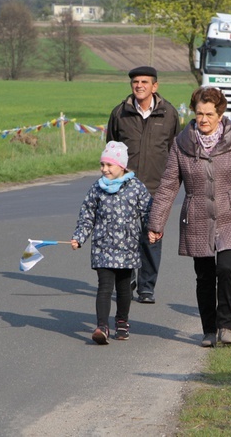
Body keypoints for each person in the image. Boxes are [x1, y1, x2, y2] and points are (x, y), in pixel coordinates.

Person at [147, 86, 231, 347]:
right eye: (199, 113)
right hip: (197, 218)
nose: (204, 119)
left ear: (220, 114)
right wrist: (156, 224)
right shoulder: (182, 145)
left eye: (209, 114)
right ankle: (209, 330)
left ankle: (226, 325)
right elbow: (167, 185)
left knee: (226, 268)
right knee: (205, 276)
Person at [106, 66, 180, 305]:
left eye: (144, 82)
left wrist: (173, 183)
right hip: (124, 188)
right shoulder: (120, 113)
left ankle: (146, 287)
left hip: (156, 188)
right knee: (124, 237)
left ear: (154, 86)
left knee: (151, 238)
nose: (139, 85)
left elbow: (175, 151)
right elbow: (111, 150)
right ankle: (127, 279)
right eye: (135, 82)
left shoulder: (169, 113)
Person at [70, 141, 152, 344]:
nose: (104, 169)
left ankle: (122, 321)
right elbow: (87, 215)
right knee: (104, 287)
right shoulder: (97, 189)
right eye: (102, 164)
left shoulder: (136, 188)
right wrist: (80, 237)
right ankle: (102, 326)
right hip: (102, 247)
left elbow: (148, 211)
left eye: (109, 165)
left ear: (122, 166)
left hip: (127, 249)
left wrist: (152, 230)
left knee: (124, 289)